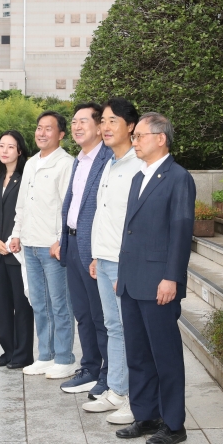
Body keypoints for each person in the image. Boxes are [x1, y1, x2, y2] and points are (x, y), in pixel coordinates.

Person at [113, 112, 195, 444]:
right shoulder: (138, 177)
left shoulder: (178, 178)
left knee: (166, 355)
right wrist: (121, 274)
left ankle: (173, 424)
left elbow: (180, 231)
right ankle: (146, 415)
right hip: (133, 281)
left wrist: (171, 278)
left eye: (140, 136)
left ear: (161, 138)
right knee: (138, 353)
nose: (135, 142)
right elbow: (129, 232)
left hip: (159, 282)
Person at [83, 97, 142, 425]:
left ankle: (137, 398)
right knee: (115, 327)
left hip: (124, 262)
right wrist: (96, 255)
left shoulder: (138, 165)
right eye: (102, 121)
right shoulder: (109, 164)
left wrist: (128, 264)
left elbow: (136, 222)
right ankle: (118, 390)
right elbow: (103, 215)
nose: (105, 127)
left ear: (131, 126)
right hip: (104, 258)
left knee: (132, 330)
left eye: (112, 121)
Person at [10, 111, 76, 380]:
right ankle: (45, 356)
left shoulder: (66, 164)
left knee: (60, 303)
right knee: (39, 302)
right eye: (39, 128)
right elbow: (22, 203)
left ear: (61, 134)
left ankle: (64, 358)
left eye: (49, 129)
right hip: (30, 244)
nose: (42, 133)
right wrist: (16, 234)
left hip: (52, 247)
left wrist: (61, 239)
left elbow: (67, 206)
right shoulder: (31, 164)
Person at [57, 103, 114, 395]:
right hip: (73, 244)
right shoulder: (79, 160)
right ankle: (90, 367)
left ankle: (108, 374)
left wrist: (96, 253)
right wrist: (62, 239)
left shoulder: (107, 159)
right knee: (82, 312)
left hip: (94, 249)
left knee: (100, 315)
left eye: (84, 121)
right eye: (74, 122)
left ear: (99, 126)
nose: (77, 127)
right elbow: (72, 204)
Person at [0, 130, 35, 370]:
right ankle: (8, 351)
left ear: (20, 151)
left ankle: (23, 354)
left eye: (10, 147)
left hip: (17, 251)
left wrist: (15, 238)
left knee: (21, 304)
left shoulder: (26, 178)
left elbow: (27, 214)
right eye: (1, 146)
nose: (4, 151)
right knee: (3, 304)